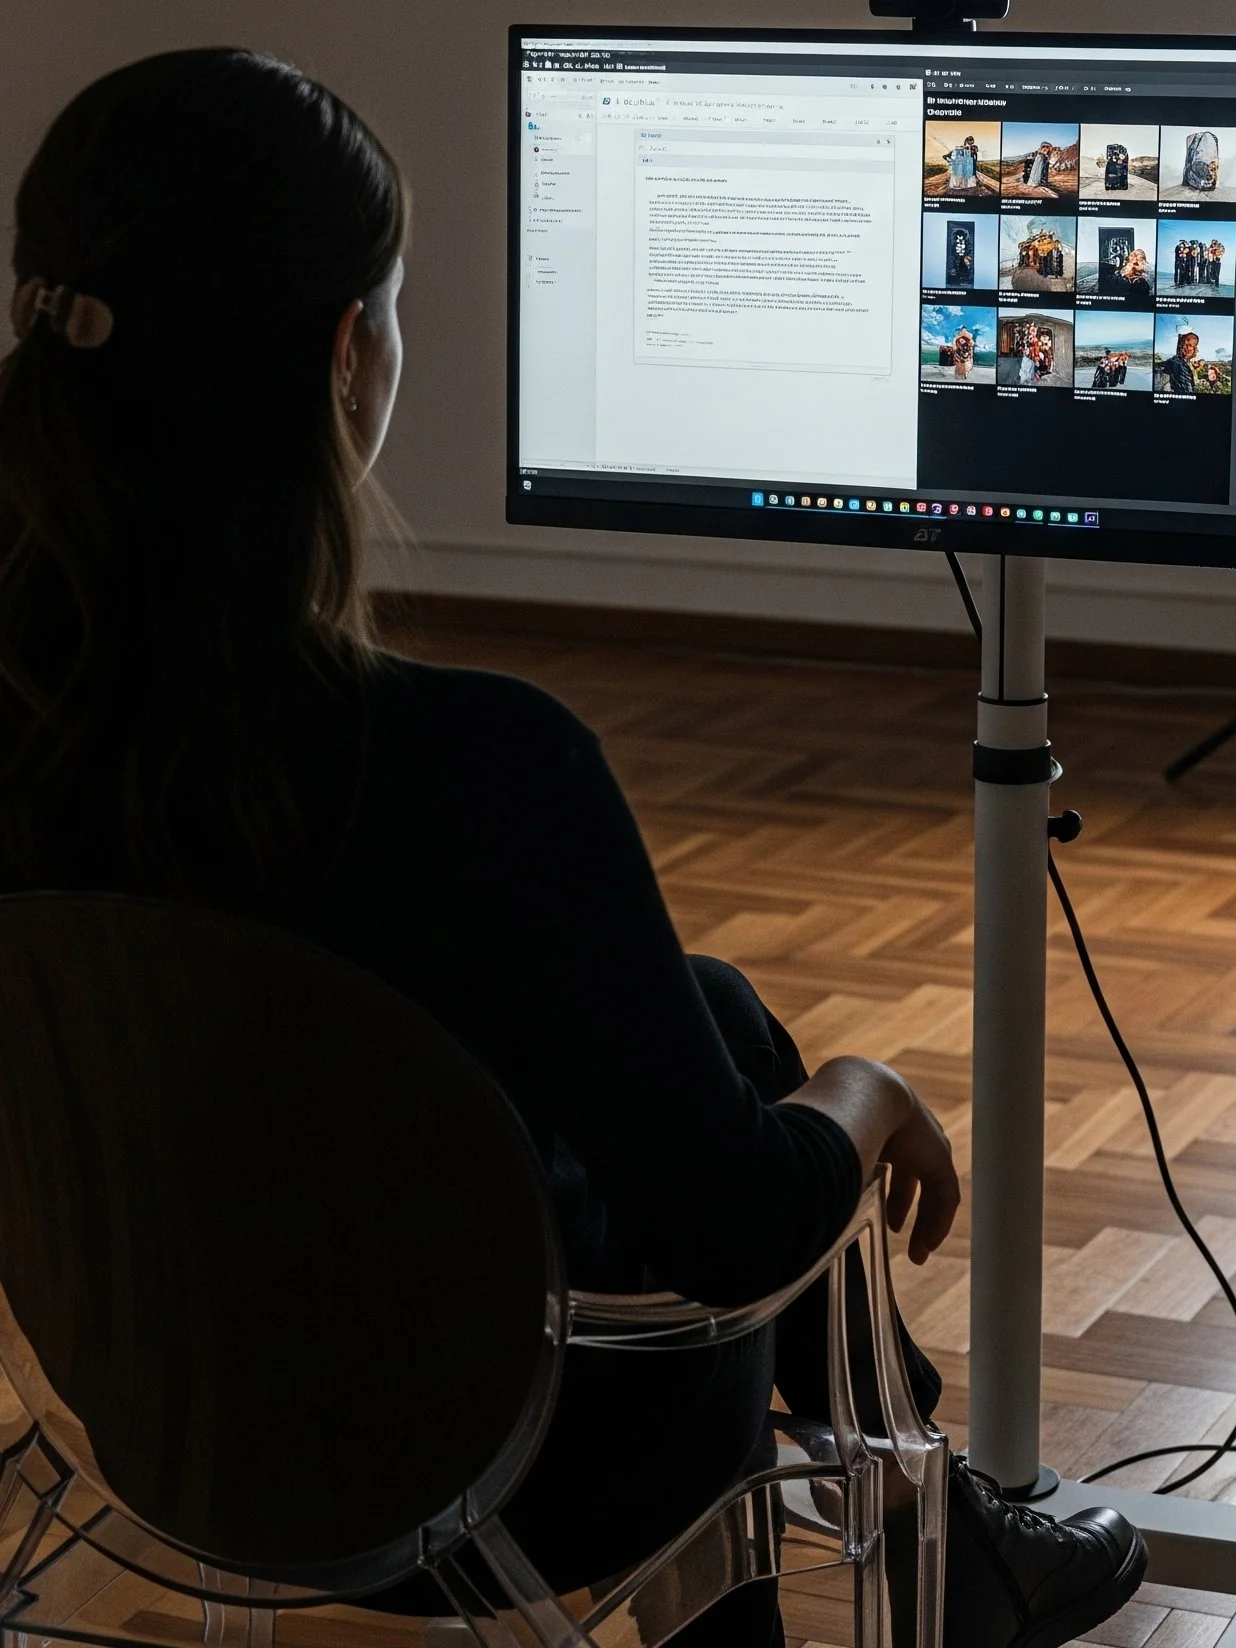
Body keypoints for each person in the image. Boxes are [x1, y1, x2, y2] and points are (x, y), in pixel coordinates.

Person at [0, 49, 1147, 1648]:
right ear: (347, 354)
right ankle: (924, 1536)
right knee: (743, 1120)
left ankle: (932, 1518)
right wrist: (873, 1088)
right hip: (497, 1466)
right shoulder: (479, 768)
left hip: (158, 1415)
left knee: (716, 1007)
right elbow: (738, 1230)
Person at [1158, 328, 1199, 394]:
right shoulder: (1176, 362)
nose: (1196, 349)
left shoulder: (1186, 363)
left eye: (1193, 346)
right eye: (1187, 345)